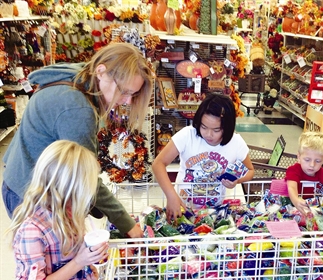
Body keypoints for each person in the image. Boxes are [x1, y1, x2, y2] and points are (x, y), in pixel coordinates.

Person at [2, 42, 154, 238]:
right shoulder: (77, 108)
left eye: (133, 94)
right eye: (124, 91)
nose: (127, 101)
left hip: (20, 179)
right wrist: (127, 224)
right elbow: (85, 177)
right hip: (31, 196)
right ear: (101, 71)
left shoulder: (76, 77)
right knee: (43, 264)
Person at [9, 140, 108, 280]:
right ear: (68, 186)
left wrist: (89, 267)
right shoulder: (33, 230)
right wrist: (78, 262)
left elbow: (70, 268)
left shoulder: (71, 217)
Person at [152, 93, 255, 221]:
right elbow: (158, 164)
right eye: (203, 127)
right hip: (182, 207)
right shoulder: (187, 135)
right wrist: (171, 196)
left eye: (216, 130)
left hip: (214, 213)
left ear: (227, 127)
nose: (208, 134)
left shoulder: (236, 142)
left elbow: (250, 170)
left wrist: (236, 181)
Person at [286, 131, 323, 219]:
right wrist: (296, 200)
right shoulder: (294, 170)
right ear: (299, 157)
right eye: (307, 160)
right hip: (295, 210)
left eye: (318, 161)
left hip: (318, 212)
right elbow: (291, 187)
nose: (312, 165)